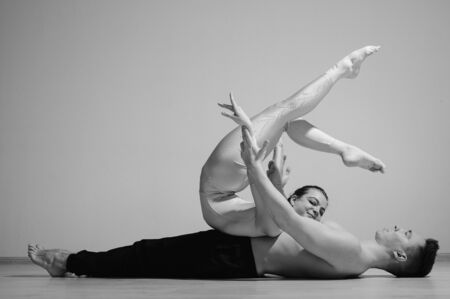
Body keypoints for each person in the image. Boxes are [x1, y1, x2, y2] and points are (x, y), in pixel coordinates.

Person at [27, 125, 439, 279]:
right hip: (239, 250)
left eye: (407, 234)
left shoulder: (352, 253)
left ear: (401, 256)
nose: (401, 227)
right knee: (147, 254)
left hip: (235, 258)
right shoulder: (351, 252)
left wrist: (254, 166)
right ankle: (72, 261)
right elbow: (283, 218)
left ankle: (67, 261)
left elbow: (285, 220)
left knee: (145, 257)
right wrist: (269, 179)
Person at [200, 46, 386, 237]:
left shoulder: (277, 225)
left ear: (293, 199)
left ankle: (342, 69)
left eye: (319, 209)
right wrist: (275, 182)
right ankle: (344, 149)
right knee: (287, 119)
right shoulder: (280, 215)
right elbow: (260, 171)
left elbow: (253, 169)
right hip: (229, 184)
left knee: (283, 111)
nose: (317, 212)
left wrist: (249, 127)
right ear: (293, 199)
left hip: (219, 182)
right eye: (316, 206)